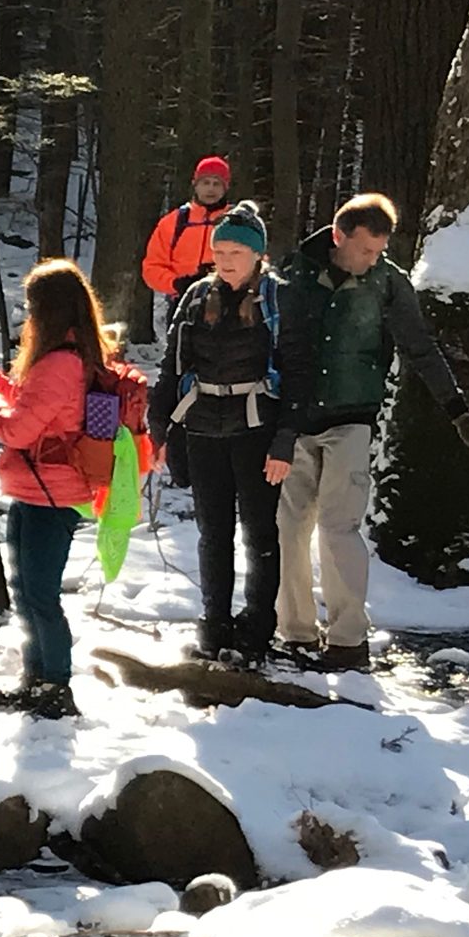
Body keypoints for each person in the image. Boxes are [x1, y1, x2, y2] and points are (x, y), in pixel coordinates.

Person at [269, 192, 469, 672]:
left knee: (339, 528)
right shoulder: (294, 277)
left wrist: (459, 413)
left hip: (352, 418)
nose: (371, 260)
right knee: (291, 529)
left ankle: (347, 641)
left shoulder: (388, 284)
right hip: (294, 420)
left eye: (378, 251)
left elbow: (421, 349)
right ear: (339, 237)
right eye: (364, 251)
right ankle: (294, 633)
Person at [0, 259, 118, 721]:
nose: (28, 316)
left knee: (41, 595)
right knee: (27, 591)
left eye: (32, 306)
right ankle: (36, 680)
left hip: (53, 495)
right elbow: (31, 405)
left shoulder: (60, 364)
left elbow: (16, 431)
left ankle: (56, 687)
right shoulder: (67, 358)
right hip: (38, 491)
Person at [150, 203, 283, 663]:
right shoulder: (195, 297)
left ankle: (258, 630)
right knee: (213, 532)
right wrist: (159, 426)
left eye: (237, 252)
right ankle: (214, 623)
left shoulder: (277, 299)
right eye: (220, 250)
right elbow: (172, 365)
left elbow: (299, 373)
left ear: (258, 255)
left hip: (256, 431)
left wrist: (285, 441)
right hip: (203, 427)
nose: (226, 260)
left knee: (260, 534)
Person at [142, 154, 234, 309]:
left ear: (226, 188)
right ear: (195, 184)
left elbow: (256, 262)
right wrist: (176, 284)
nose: (210, 189)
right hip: (183, 303)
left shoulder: (236, 221)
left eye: (217, 184)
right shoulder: (173, 222)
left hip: (228, 302)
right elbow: (152, 267)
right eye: (205, 182)